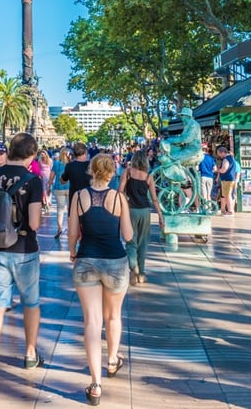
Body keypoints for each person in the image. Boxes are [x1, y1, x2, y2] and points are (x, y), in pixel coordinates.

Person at [0, 132, 46, 391]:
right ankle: (30, 353)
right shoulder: (33, 180)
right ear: (31, 154)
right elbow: (36, 222)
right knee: (31, 302)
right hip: (25, 247)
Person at [69, 153, 133, 405]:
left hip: (86, 261)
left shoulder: (79, 197)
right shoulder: (119, 198)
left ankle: (95, 383)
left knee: (92, 322)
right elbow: (127, 236)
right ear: (111, 172)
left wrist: (73, 253)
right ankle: (112, 359)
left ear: (91, 170)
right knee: (113, 316)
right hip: (115, 262)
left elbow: (73, 233)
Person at [119, 152, 160, 285]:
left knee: (131, 241)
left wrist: (123, 202)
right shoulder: (149, 177)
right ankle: (141, 274)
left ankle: (133, 267)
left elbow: (120, 191)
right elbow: (154, 198)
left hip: (130, 211)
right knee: (143, 243)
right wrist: (160, 215)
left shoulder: (128, 172)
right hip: (145, 212)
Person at [58, 142, 91, 238]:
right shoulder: (90, 165)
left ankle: (74, 247)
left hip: (74, 198)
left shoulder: (70, 166)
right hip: (89, 198)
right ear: (85, 152)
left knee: (74, 224)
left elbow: (63, 181)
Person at [51, 148, 70, 234]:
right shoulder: (71, 164)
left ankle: (59, 228)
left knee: (60, 210)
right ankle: (70, 228)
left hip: (58, 188)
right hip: (70, 188)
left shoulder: (56, 163)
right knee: (71, 210)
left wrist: (48, 186)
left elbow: (51, 177)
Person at [215, 145, 237, 215]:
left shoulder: (226, 159)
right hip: (230, 178)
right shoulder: (231, 158)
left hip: (227, 179)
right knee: (227, 195)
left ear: (222, 152)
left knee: (227, 195)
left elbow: (224, 169)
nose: (220, 156)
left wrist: (218, 170)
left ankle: (230, 211)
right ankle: (229, 210)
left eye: (219, 154)